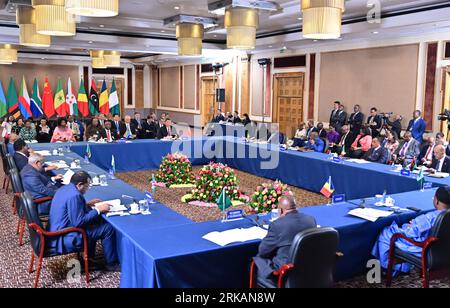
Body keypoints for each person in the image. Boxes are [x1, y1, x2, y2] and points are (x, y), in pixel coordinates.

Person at [48, 171, 120, 272]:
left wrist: (87, 204)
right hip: (65, 235)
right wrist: (98, 210)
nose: (88, 189)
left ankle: (89, 258)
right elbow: (78, 222)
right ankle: (111, 264)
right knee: (108, 228)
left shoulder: (65, 188)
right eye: (87, 186)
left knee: (95, 221)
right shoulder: (75, 195)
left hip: (57, 228)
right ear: (79, 185)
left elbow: (70, 209)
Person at [372, 186, 450, 275]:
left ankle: (388, 267)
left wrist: (408, 226)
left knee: (387, 232)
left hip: (425, 251)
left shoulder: (430, 217)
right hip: (444, 253)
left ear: (436, 201)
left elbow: (410, 233)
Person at [253, 195, 317, 284]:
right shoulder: (311, 220)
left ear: (281, 210)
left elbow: (263, 251)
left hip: (285, 274)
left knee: (256, 260)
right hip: (309, 270)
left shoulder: (277, 225)